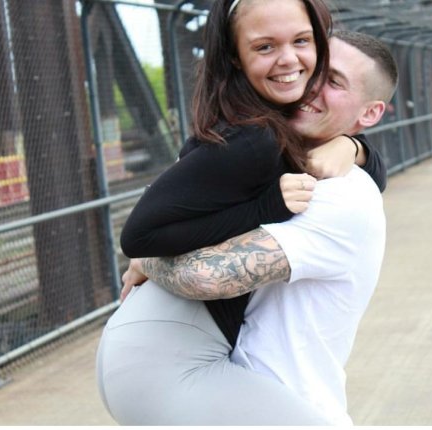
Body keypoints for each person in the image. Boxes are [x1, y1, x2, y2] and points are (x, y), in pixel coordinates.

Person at [105, 30, 399, 426]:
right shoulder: (261, 151)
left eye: (333, 81)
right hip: (223, 383)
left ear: (370, 114)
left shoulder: (342, 193)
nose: (310, 85)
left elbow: (203, 276)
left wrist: (148, 256)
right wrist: (356, 146)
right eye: (313, 70)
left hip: (263, 390)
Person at [118, 0, 386, 348]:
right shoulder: (254, 141)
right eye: (265, 47)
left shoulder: (265, 121)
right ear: (235, 56)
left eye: (301, 41)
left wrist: (355, 147)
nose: (288, 59)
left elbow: (377, 177)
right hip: (173, 342)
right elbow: (138, 237)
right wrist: (265, 208)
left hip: (172, 335)